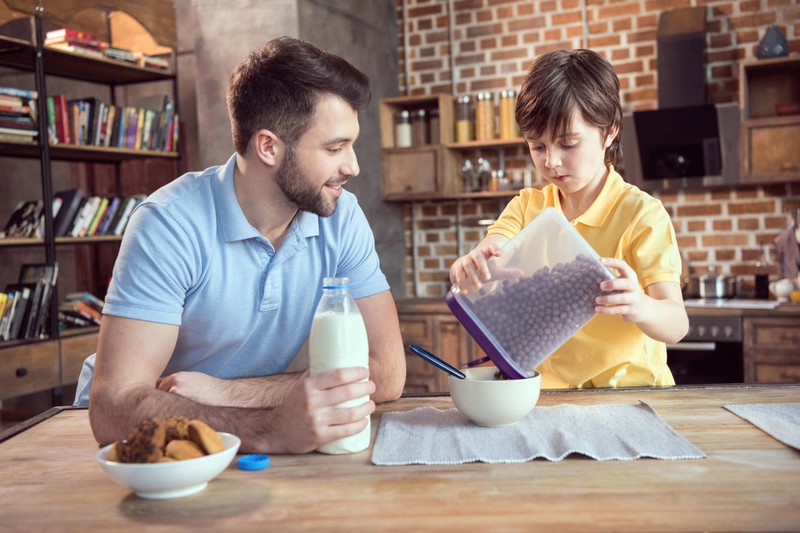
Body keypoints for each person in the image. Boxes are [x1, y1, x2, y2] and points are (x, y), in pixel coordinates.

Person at [74, 37, 406, 454]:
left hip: (231, 424)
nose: (352, 166)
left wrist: (229, 393)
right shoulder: (169, 224)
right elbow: (112, 405)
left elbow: (387, 373)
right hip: (135, 446)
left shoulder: (341, 216)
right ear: (268, 147)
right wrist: (268, 430)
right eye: (334, 148)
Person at [449, 49, 688, 389]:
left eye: (568, 144)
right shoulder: (526, 207)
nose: (552, 162)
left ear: (609, 133)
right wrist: (472, 267)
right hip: (547, 399)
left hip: (631, 396)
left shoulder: (641, 215)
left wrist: (641, 306)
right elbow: (493, 249)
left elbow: (676, 324)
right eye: (538, 147)